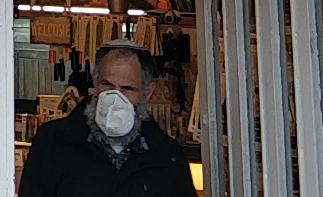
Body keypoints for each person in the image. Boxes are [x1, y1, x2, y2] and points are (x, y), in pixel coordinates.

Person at [18, 40, 194, 197]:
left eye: (127, 89)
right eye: (107, 84)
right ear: (95, 80)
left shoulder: (166, 155)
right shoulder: (54, 142)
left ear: (147, 92)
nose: (115, 98)